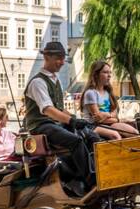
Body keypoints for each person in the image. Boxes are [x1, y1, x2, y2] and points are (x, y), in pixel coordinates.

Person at [23, 41, 100, 197]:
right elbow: (48, 110)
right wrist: (70, 121)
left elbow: (58, 108)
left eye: (63, 58)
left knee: (91, 136)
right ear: (47, 57)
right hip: (41, 126)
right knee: (75, 141)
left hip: (54, 123)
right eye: (58, 58)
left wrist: (74, 118)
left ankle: (89, 173)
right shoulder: (37, 82)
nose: (62, 62)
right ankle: (91, 181)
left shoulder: (55, 80)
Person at [81, 60, 139, 140]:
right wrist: (115, 117)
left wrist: (108, 115)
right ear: (96, 74)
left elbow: (114, 112)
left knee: (134, 133)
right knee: (115, 136)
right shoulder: (91, 93)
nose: (109, 75)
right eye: (105, 72)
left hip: (109, 123)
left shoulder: (108, 92)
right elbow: (98, 119)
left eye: (110, 72)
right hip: (92, 126)